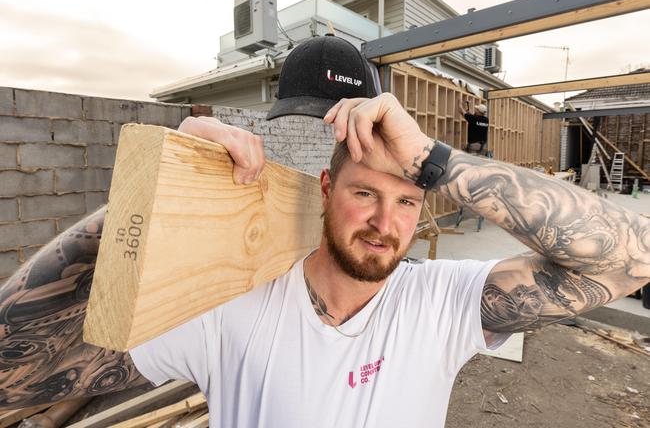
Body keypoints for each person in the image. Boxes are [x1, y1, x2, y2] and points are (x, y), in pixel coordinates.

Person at [1, 36, 649, 427]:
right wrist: (144, 197)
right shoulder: (232, 309)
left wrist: (440, 162)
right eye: (364, 192)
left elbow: (631, 260)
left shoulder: (440, 304)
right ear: (326, 190)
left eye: (406, 199)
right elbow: (13, 375)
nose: (384, 221)